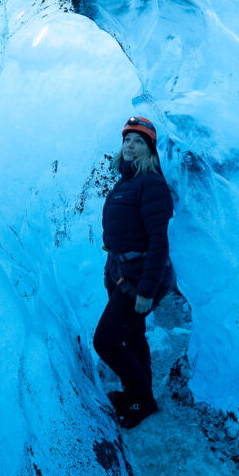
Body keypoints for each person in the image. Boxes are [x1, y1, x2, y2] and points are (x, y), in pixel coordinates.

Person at [93, 115, 175, 429]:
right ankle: (135, 393)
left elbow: (159, 242)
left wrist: (146, 291)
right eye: (127, 139)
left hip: (140, 278)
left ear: (150, 150)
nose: (129, 145)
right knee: (133, 335)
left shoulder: (151, 183)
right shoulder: (125, 181)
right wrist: (110, 270)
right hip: (120, 273)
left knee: (105, 341)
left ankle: (143, 400)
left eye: (138, 141)